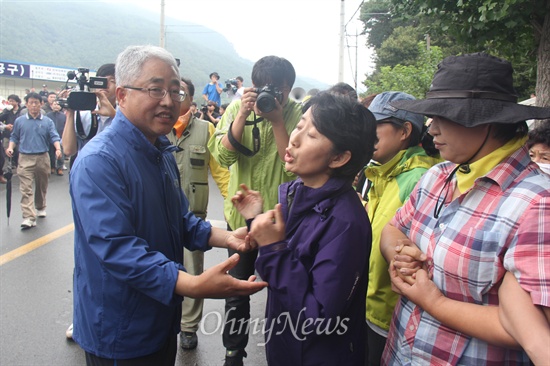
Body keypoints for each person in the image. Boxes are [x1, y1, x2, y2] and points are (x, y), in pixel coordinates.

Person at [69, 44, 266, 365]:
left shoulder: (158, 150)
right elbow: (118, 249)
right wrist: (194, 285)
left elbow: (182, 220)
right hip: (120, 328)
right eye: (155, 89)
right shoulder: (99, 161)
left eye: (175, 92)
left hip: (159, 317)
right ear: (121, 95)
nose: (168, 101)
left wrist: (229, 238)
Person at [378, 52, 550, 365]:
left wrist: (433, 301)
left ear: (488, 121)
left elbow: (533, 332)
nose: (432, 129)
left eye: (444, 116)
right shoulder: (438, 176)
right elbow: (393, 229)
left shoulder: (537, 203)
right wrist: (401, 255)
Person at [232, 92, 377, 365]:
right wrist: (257, 222)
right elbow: (286, 266)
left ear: (338, 158)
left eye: (311, 135)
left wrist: (272, 248)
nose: (294, 139)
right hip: (286, 346)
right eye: (299, 126)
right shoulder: (297, 193)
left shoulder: (345, 223)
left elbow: (318, 318)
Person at [208, 55, 303, 366]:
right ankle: (233, 353)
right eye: (270, 89)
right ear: (253, 86)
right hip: (241, 220)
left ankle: (286, 351)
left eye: (283, 91)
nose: (277, 96)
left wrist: (276, 119)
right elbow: (222, 157)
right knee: (237, 291)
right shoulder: (237, 108)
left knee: (284, 289)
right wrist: (242, 114)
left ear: (288, 89)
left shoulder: (296, 113)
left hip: (280, 221)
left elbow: (295, 168)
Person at [362, 91, 441, 366]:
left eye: (375, 126)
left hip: (389, 314)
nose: (366, 133)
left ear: (405, 130)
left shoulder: (419, 178)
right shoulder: (382, 172)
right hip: (370, 308)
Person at [166, 76, 230, 350]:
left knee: (193, 271)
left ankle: (188, 327)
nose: (173, 98)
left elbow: (221, 173)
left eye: (179, 93)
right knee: (162, 269)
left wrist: (234, 204)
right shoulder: (154, 128)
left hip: (193, 216)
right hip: (161, 215)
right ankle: (165, 321)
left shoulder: (207, 130)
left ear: (191, 99)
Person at [5, 92, 62, 229]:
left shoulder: (47, 121)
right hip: (25, 157)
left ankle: (40, 206)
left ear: (41, 104)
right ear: (26, 104)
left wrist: (58, 149)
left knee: (42, 185)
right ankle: (28, 217)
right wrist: (11, 148)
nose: (34, 105)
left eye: (36, 102)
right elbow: (14, 137)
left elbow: (54, 136)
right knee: (26, 188)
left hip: (43, 157)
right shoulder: (20, 121)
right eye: (31, 102)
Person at [61, 63, 117, 161]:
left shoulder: (126, 116)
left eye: (112, 81)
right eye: (101, 80)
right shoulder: (82, 115)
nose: (105, 85)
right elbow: (68, 150)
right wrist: (71, 112)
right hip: (86, 171)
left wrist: (114, 115)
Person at [0, 94, 22, 183]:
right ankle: (6, 171)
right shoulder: (7, 111)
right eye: (9, 101)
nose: (11, 103)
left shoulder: (21, 111)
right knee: (6, 154)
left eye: (13, 101)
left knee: (18, 152)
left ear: (17, 102)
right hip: (7, 135)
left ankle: (20, 170)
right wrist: (6, 126)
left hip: (19, 136)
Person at [46, 100, 66, 176]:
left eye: (58, 104)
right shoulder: (48, 115)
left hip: (61, 137)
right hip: (50, 137)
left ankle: (60, 168)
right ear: (51, 106)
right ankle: (52, 167)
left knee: (61, 153)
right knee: (51, 153)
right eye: (54, 104)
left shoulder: (63, 115)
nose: (56, 106)